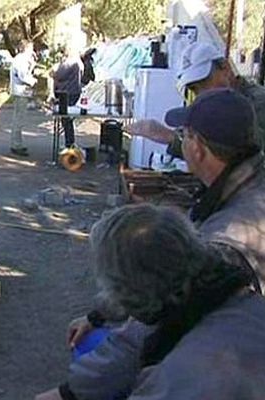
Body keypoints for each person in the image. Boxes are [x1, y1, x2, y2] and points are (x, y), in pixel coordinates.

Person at [51, 88, 265, 400]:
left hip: (224, 364)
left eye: (185, 135)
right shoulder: (250, 178)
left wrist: (70, 393)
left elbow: (153, 323)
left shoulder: (228, 239)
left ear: (199, 149)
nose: (183, 143)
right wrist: (100, 313)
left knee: (98, 352)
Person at [35, 203, 265, 400]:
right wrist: (69, 393)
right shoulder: (209, 291)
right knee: (93, 342)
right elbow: (131, 342)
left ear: (130, 288)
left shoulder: (181, 379)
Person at [128, 42, 265, 152]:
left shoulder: (258, 102)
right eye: (195, 89)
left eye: (205, 82)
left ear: (225, 68)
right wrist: (164, 134)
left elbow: (239, 154)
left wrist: (171, 138)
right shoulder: (211, 108)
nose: (202, 93)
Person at [51, 46, 83, 147]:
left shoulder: (70, 62)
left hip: (67, 92)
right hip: (73, 91)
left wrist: (55, 69)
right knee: (67, 119)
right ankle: (69, 142)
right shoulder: (78, 63)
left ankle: (69, 143)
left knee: (66, 118)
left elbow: (58, 75)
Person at [9, 41, 37, 156]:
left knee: (18, 118)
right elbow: (23, 76)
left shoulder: (21, 59)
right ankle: (16, 144)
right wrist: (32, 81)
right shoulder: (21, 60)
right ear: (26, 49)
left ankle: (17, 143)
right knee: (18, 118)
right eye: (31, 49)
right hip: (20, 91)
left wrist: (32, 65)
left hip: (20, 91)